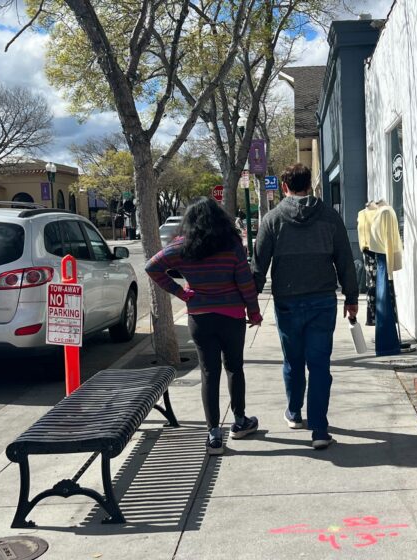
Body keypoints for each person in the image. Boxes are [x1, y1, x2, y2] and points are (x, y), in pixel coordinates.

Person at [146, 197, 264, 455]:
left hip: (199, 316)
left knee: (209, 373)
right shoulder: (232, 246)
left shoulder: (182, 247)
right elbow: (245, 282)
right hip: (232, 316)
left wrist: (180, 292)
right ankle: (240, 421)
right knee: (234, 368)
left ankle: (213, 434)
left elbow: (152, 267)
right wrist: (253, 313)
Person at [252, 163, 358, 449]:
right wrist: (351, 297)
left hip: (287, 300)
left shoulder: (272, 219)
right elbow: (345, 260)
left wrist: (252, 304)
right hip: (323, 300)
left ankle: (295, 412)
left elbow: (259, 266)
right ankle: (320, 430)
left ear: (284, 187)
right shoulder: (329, 217)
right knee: (320, 365)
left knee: (293, 361)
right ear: (310, 185)